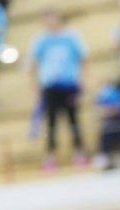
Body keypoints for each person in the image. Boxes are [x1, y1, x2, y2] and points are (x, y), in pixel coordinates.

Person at [29, 8, 89, 170]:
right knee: (51, 123)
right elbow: (33, 64)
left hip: (69, 84)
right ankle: (51, 156)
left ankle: (79, 152)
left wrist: (82, 83)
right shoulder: (40, 39)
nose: (49, 22)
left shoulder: (71, 36)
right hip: (50, 86)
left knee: (73, 120)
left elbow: (83, 59)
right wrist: (35, 88)